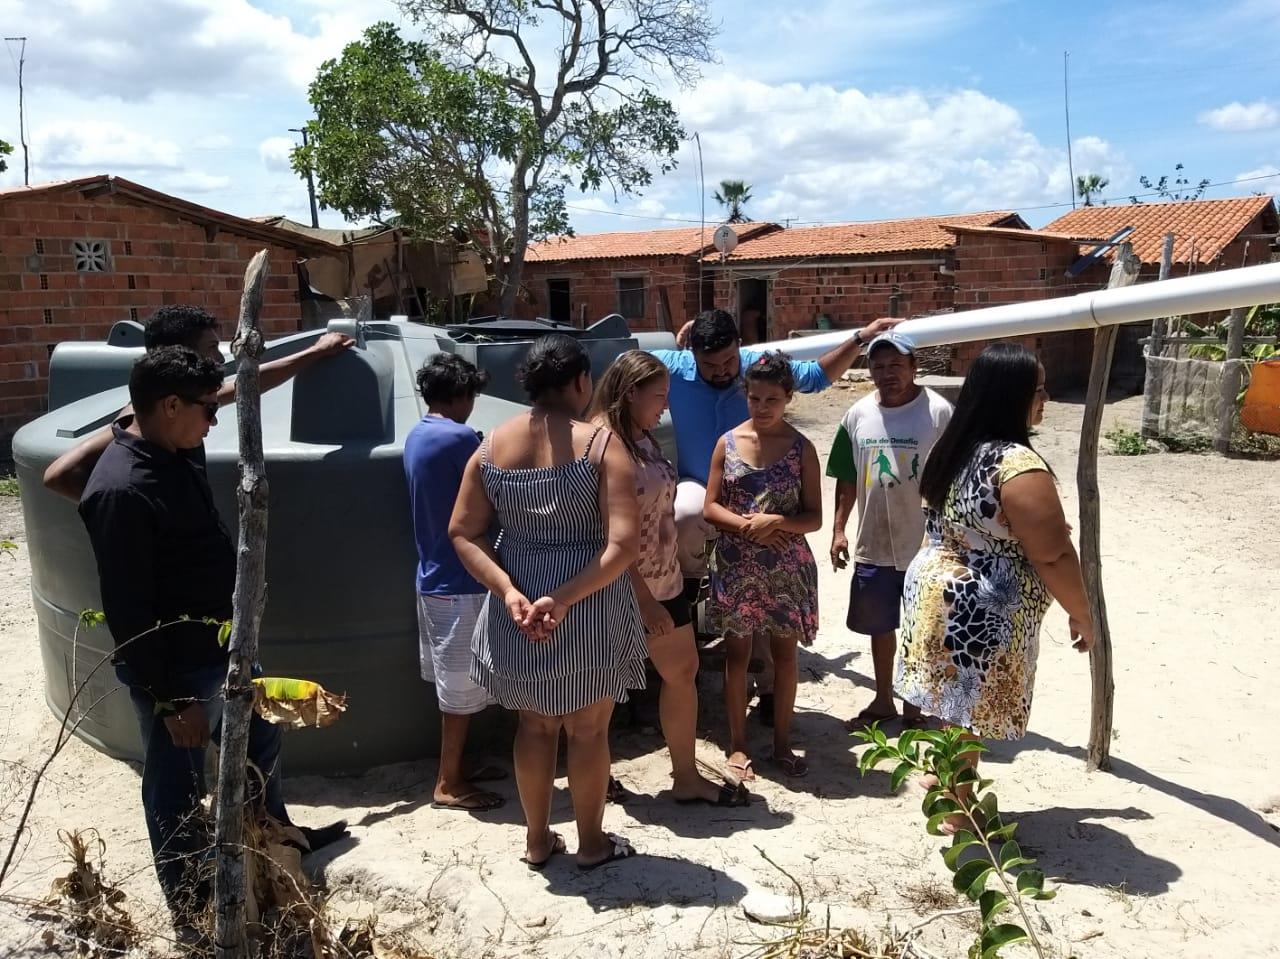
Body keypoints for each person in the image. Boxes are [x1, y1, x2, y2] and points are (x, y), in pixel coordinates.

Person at [78, 347, 346, 941]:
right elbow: (129, 611)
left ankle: (275, 844)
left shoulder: (173, 446)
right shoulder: (123, 489)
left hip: (223, 650)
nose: (214, 419)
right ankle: (192, 909)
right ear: (169, 405)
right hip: (177, 671)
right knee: (174, 788)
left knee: (260, 744)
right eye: (205, 408)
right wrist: (172, 699)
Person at [449, 334, 647, 870]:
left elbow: (463, 533)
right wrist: (560, 599)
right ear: (581, 382)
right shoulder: (602, 446)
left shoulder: (490, 447)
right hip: (588, 605)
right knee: (588, 729)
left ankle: (537, 842)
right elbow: (623, 545)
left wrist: (509, 590)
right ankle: (591, 844)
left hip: (517, 610)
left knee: (534, 727)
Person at [896, 343, 1094, 831]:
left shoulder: (958, 446)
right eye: (1038, 389)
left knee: (953, 698)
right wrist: (1083, 611)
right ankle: (959, 809)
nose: (1046, 398)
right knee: (973, 703)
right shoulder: (1016, 466)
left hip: (937, 589)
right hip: (982, 603)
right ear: (1013, 397)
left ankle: (943, 780)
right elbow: (1052, 553)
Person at [588, 351, 749, 807]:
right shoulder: (603, 442)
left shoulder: (641, 435)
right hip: (624, 590)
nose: (665, 406)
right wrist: (644, 601)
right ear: (630, 392)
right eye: (658, 396)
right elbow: (606, 533)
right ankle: (594, 779)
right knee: (600, 694)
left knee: (683, 672)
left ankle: (685, 776)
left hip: (665, 579)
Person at [43, 304, 354, 501]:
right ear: (179, 354)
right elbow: (58, 474)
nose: (219, 358)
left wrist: (316, 352)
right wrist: (125, 513)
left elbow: (248, 385)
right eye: (210, 348)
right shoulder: (142, 418)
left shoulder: (185, 403)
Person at [703, 353, 822, 781]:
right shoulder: (727, 443)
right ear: (746, 397)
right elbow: (710, 506)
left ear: (789, 397)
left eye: (773, 398)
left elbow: (814, 517)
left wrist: (780, 523)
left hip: (787, 569)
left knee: (784, 657)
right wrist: (748, 526)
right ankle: (737, 745)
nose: (763, 406)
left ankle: (783, 742)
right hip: (737, 566)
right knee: (736, 657)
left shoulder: (801, 449)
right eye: (755, 398)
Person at [827, 332, 952, 731]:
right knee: (880, 627)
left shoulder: (939, 413)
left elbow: (956, 475)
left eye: (896, 365)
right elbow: (846, 477)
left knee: (922, 628)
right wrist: (838, 530)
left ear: (914, 367)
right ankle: (883, 699)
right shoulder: (857, 415)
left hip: (926, 545)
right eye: (879, 367)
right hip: (874, 541)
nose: (887, 374)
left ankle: (914, 706)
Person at [403, 354, 506, 812]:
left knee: (457, 684)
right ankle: (448, 782)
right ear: (463, 395)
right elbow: (499, 487)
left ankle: (459, 767)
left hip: (434, 576)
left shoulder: (417, 435)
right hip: (462, 578)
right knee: (461, 690)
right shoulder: (461, 437)